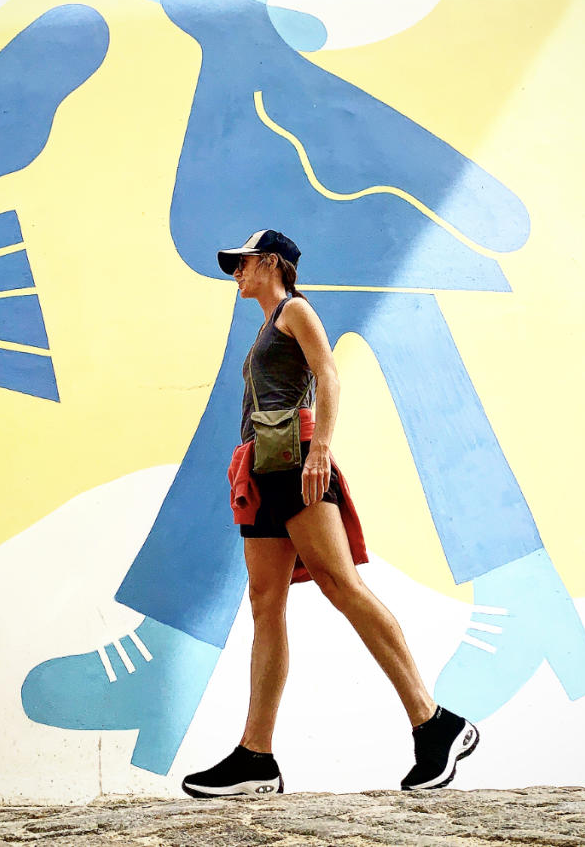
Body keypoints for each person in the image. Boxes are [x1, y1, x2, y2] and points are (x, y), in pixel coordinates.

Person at [181, 229, 479, 797]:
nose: (235, 275)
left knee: (341, 584)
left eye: (241, 264)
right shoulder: (267, 327)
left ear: (271, 262)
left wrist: (321, 451)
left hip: (296, 462)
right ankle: (255, 756)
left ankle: (435, 723)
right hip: (263, 468)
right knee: (265, 603)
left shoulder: (296, 310)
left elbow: (329, 374)